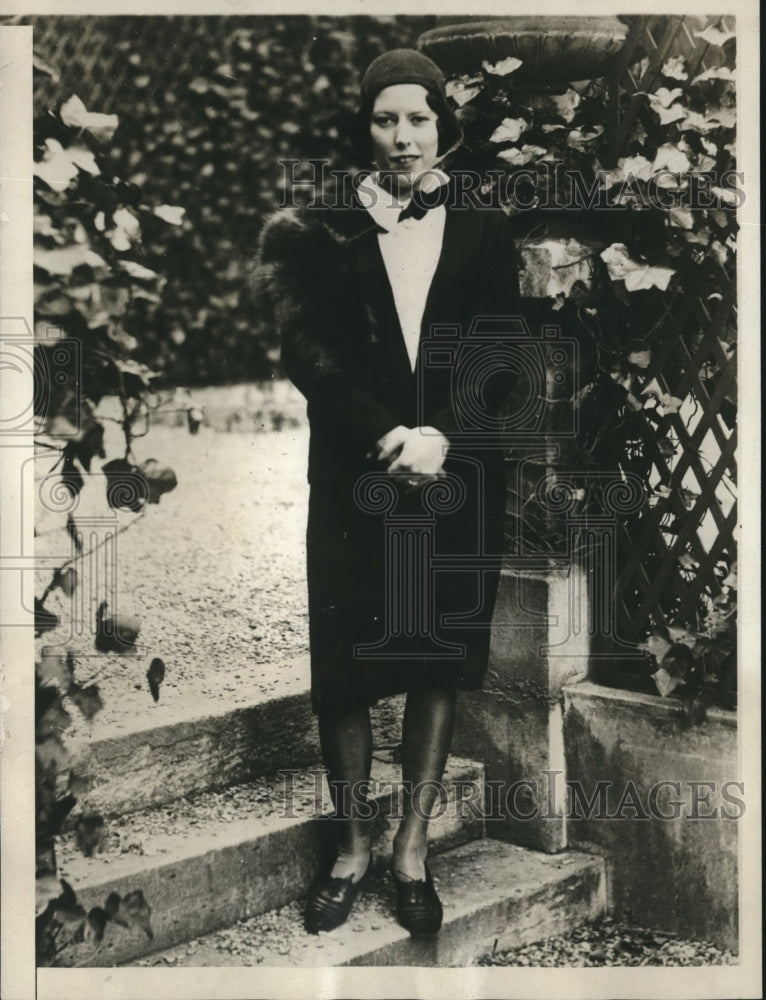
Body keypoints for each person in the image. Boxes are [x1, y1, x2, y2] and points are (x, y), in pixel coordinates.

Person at [256, 48, 522, 938]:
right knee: (345, 667)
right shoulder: (321, 226)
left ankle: (411, 849)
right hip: (355, 474)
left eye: (418, 119)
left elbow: (504, 347)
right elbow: (311, 357)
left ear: (444, 124)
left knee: (434, 657)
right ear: (364, 126)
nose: (402, 138)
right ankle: (351, 847)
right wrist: (389, 435)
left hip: (456, 475)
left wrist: (444, 432)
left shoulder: (486, 225)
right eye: (384, 119)